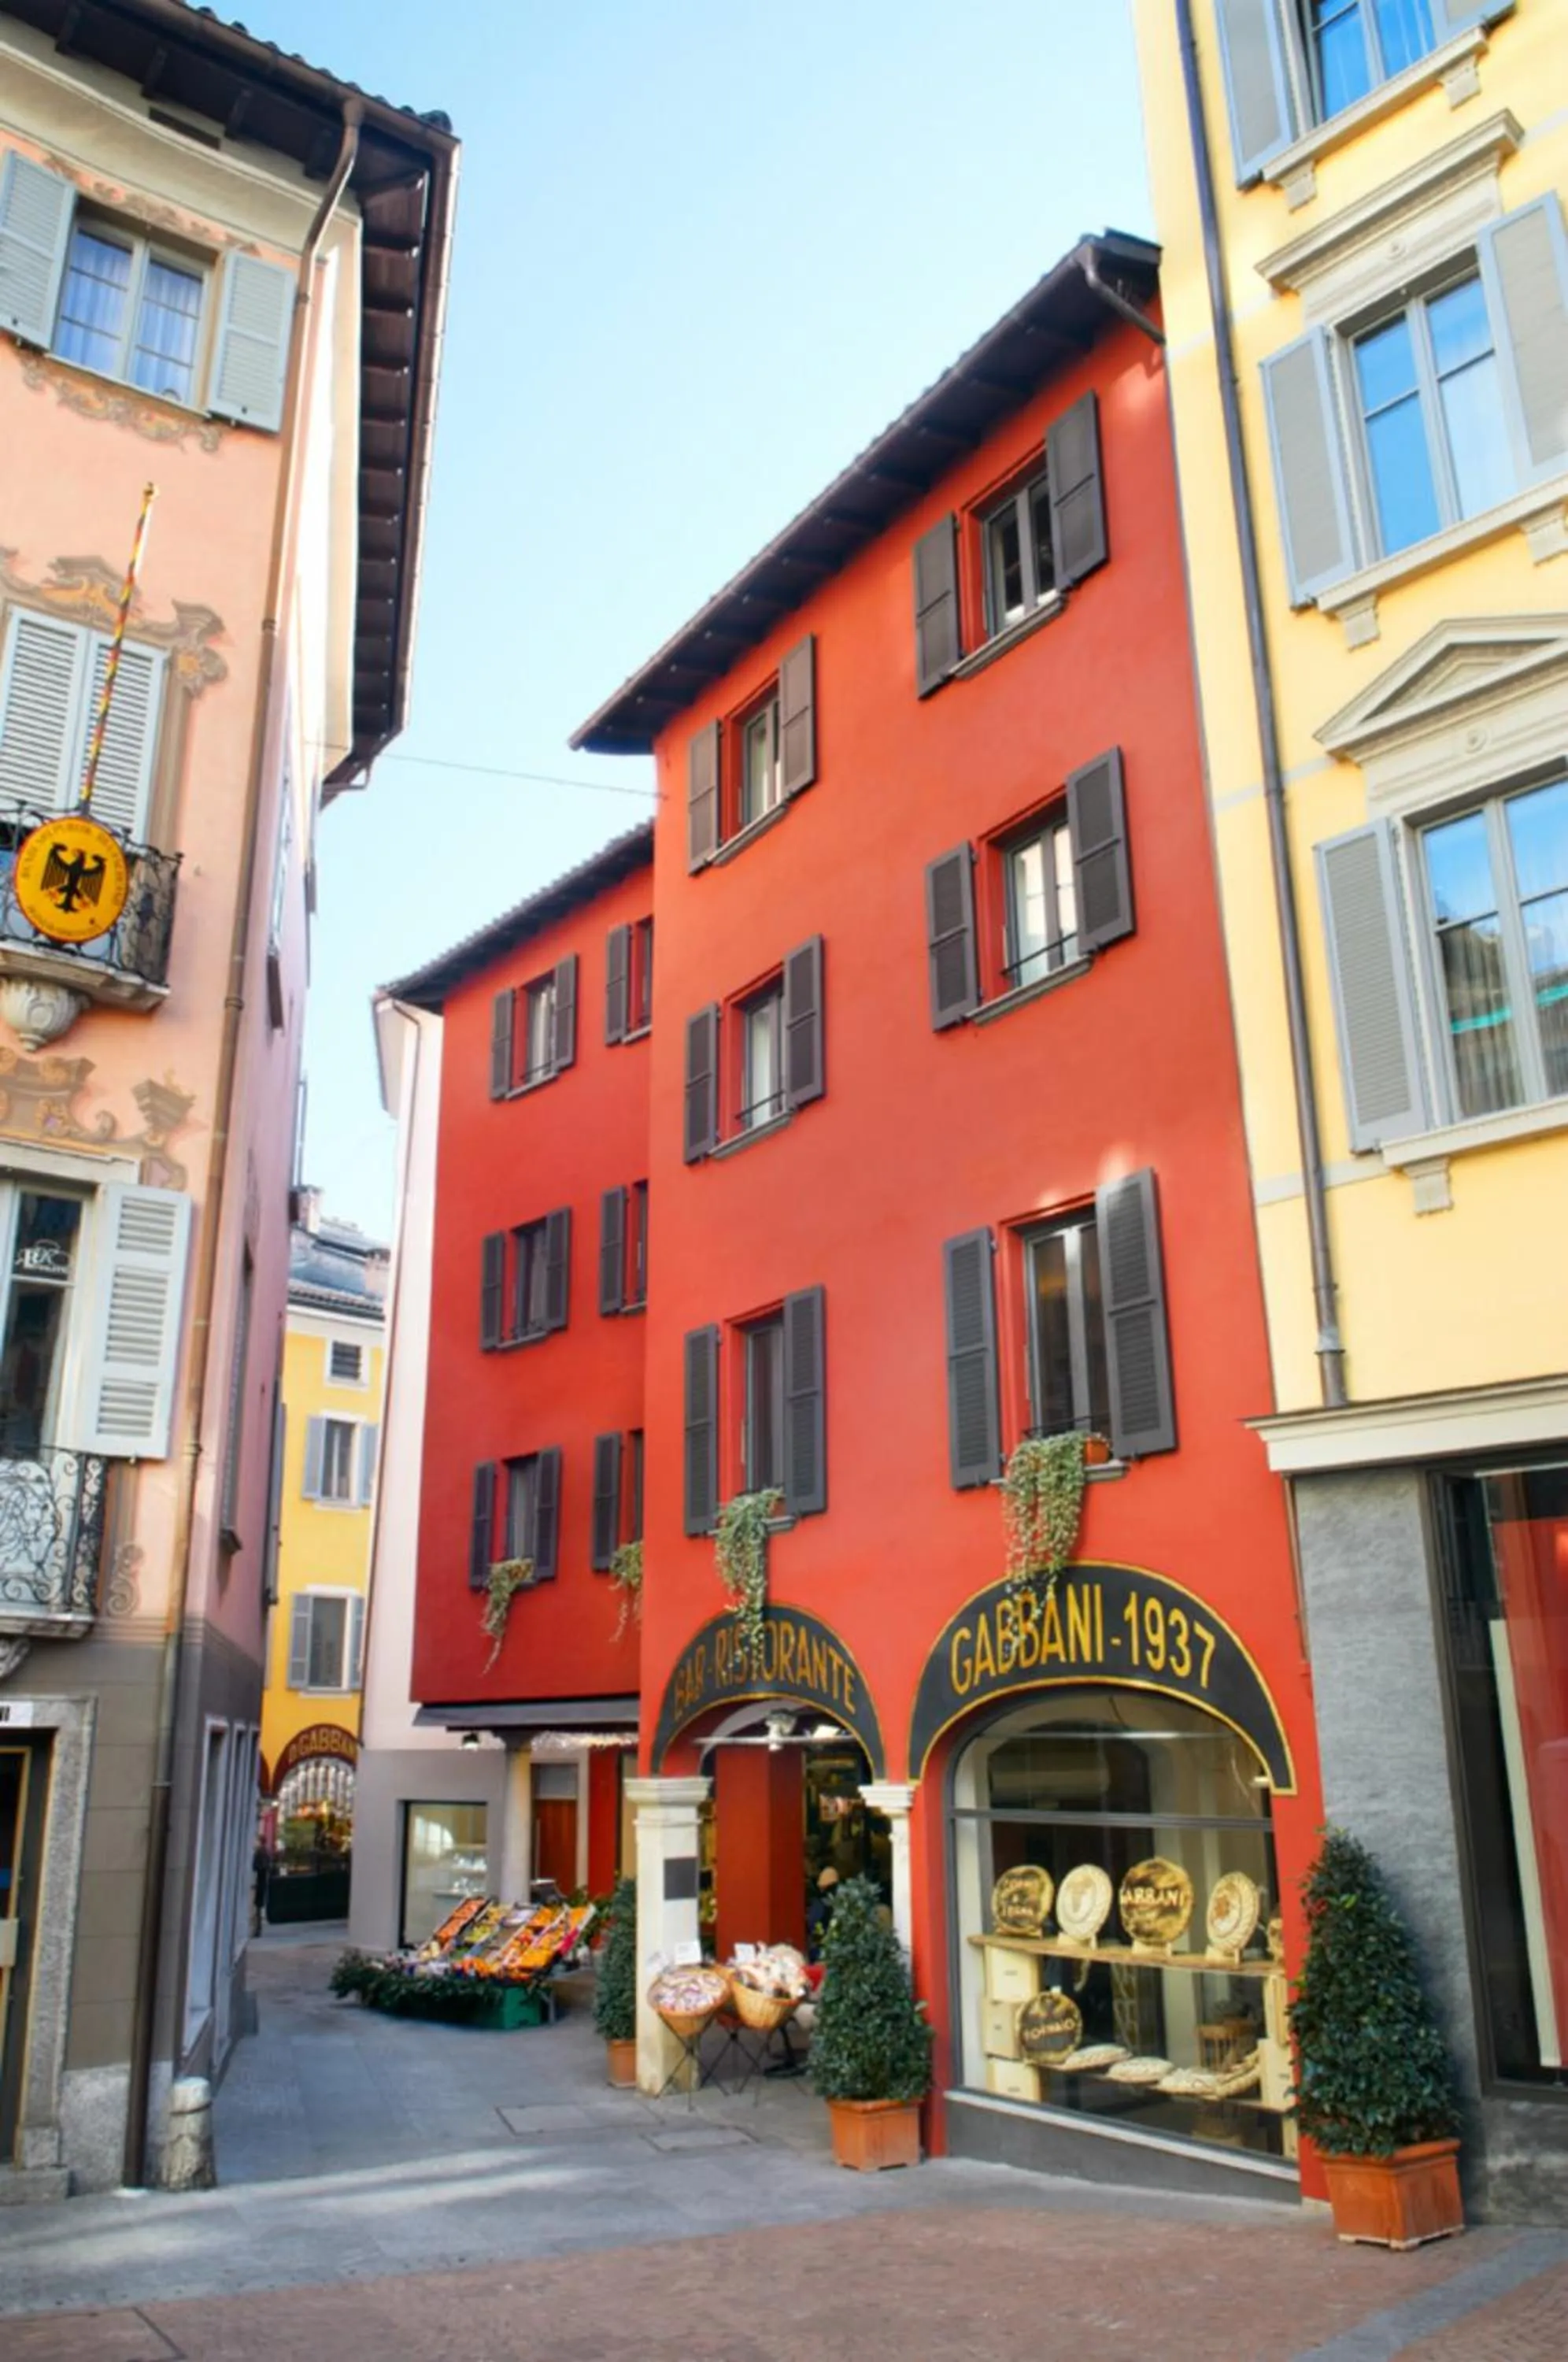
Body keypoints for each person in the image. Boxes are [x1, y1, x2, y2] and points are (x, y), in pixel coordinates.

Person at [804, 1864, 838, 1960]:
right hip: (829, 1946)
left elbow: (813, 1923)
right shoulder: (836, 1903)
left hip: (822, 1947)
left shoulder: (820, 1903)